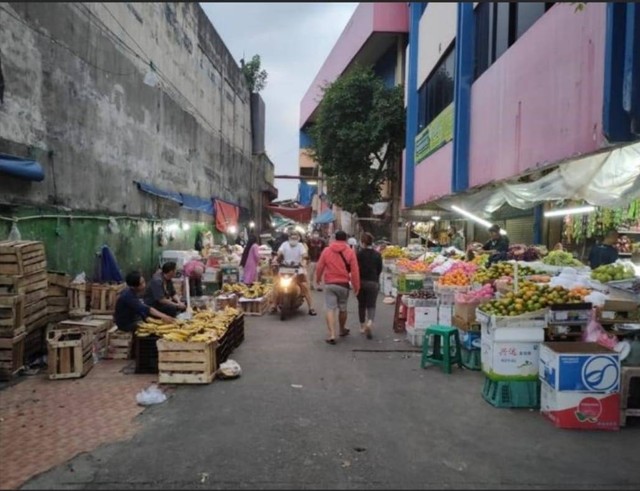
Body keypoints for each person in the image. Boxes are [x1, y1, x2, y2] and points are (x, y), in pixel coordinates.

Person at [315, 230, 360, 345]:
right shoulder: (350, 252)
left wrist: (318, 278)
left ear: (335, 238)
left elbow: (320, 266)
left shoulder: (327, 250)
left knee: (330, 308)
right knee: (343, 308)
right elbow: (355, 271)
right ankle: (342, 329)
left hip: (330, 283)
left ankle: (332, 334)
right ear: (345, 239)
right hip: (343, 284)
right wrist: (356, 286)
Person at [277, 231, 317, 315]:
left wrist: (304, 261)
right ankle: (273, 305)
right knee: (276, 285)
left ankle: (311, 307)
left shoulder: (300, 246)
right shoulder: (284, 244)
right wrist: (277, 258)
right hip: (285, 268)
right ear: (289, 238)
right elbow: (279, 252)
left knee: (305, 286)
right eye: (292, 238)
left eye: (295, 238)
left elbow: (304, 255)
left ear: (298, 239)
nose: (293, 240)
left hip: (298, 269)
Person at [356, 232, 382, 340]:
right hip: (373, 282)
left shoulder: (359, 254)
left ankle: (362, 326)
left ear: (362, 242)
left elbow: (355, 268)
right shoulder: (377, 254)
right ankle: (370, 322)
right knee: (371, 305)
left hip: (361, 281)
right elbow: (379, 269)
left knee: (361, 304)